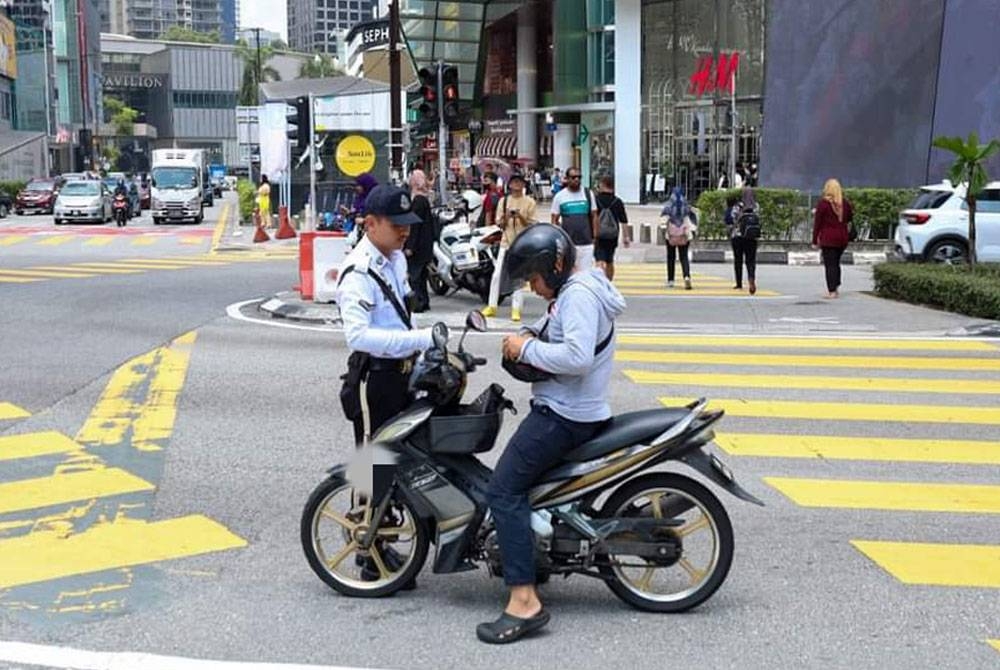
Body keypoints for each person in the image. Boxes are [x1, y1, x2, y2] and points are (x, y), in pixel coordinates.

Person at [478, 224, 626, 645]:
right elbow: (549, 327)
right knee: (527, 487)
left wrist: (525, 350)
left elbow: (577, 357)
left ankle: (524, 600)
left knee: (503, 491)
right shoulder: (575, 290)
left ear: (555, 266)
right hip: (573, 408)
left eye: (535, 278)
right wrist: (527, 335)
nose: (534, 287)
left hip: (565, 414)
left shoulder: (578, 295)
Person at [335, 184, 435, 448]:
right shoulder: (358, 272)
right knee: (374, 467)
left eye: (408, 224)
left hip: (405, 374)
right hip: (377, 379)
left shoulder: (396, 257)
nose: (405, 231)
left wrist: (421, 353)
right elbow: (358, 337)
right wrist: (419, 340)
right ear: (370, 224)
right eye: (396, 225)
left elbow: (403, 312)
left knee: (406, 461)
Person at [482, 172, 537, 321]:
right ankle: (492, 305)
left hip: (522, 243)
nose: (517, 185)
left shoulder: (530, 202)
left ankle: (516, 308)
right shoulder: (504, 201)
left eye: (520, 182)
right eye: (514, 182)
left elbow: (532, 224)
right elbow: (499, 223)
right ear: (510, 185)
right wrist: (507, 216)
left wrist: (520, 216)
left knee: (518, 277)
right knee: (497, 274)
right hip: (506, 242)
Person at [550, 168, 598, 272]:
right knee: (569, 273)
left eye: (579, 177)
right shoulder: (559, 196)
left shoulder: (588, 194)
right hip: (568, 243)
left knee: (586, 273)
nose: (576, 179)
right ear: (566, 179)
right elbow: (554, 220)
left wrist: (595, 236)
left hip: (586, 243)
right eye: (573, 177)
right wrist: (558, 239)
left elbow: (594, 215)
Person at [812, 178, 853, 299]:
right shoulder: (845, 204)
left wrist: (814, 240)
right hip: (842, 238)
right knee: (836, 263)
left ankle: (832, 291)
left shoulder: (823, 204)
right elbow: (850, 218)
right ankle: (836, 287)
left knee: (830, 265)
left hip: (828, 239)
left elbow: (817, 224)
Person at [403, 171, 435, 313]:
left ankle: (418, 302)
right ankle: (424, 301)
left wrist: (410, 245)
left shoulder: (418, 201)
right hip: (425, 244)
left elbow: (414, 225)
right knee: (421, 276)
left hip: (418, 246)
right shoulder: (424, 200)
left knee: (415, 276)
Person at [594, 175, 630, 281]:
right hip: (612, 235)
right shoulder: (617, 201)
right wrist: (626, 237)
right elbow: (623, 220)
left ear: (602, 184)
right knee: (610, 261)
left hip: (598, 234)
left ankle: (600, 284)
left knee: (599, 260)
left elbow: (591, 217)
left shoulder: (595, 200)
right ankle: (609, 283)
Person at [661, 186, 695, 290]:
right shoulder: (686, 205)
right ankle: (686, 276)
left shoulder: (669, 205)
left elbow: (663, 220)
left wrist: (664, 229)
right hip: (684, 234)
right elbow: (693, 218)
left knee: (671, 257)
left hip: (671, 235)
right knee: (683, 257)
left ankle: (671, 281)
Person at [728, 187, 759, 295]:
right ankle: (751, 279)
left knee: (738, 260)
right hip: (751, 237)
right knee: (751, 260)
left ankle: (739, 283)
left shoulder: (738, 206)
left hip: (737, 237)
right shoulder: (756, 207)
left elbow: (732, 218)